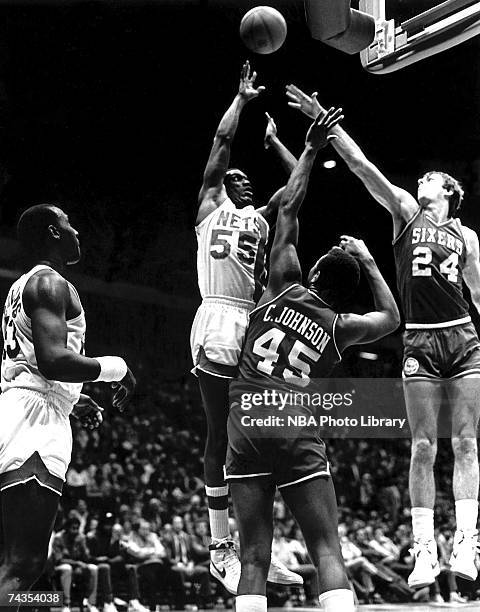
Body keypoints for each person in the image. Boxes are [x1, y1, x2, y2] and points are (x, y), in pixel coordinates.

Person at [286, 84, 480, 588]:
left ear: (449, 194)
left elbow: (479, 295)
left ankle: (465, 539)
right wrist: (328, 128)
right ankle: (422, 551)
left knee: (465, 443)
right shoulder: (403, 212)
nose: (420, 179)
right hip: (418, 340)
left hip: (462, 339)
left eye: (429, 178)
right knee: (421, 447)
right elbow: (362, 166)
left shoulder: (467, 237)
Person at [225, 109, 400, 612]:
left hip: (246, 419)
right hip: (293, 423)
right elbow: (390, 319)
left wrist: (306, 149)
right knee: (326, 546)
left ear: (315, 267)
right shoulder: (341, 327)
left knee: (254, 556)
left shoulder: (282, 282)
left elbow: (288, 211)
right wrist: (369, 263)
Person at [191, 61, 300, 592]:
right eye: (232, 176)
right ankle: (219, 547)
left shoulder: (262, 217)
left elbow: (298, 189)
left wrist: (282, 144)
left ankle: (258, 548)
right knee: (220, 434)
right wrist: (240, 100)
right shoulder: (210, 207)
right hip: (216, 314)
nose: (240, 178)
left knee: (258, 436)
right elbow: (220, 143)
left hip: (252, 322)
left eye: (245, 177)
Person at [0, 204, 136, 609]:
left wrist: (74, 399)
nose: (77, 231)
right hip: (34, 424)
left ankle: (48, 605)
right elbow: (52, 360)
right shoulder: (49, 283)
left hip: (20, 411)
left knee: (22, 570)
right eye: (68, 225)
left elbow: (27, 366)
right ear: (52, 233)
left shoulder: (22, 287)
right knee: (24, 565)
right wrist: (117, 369)